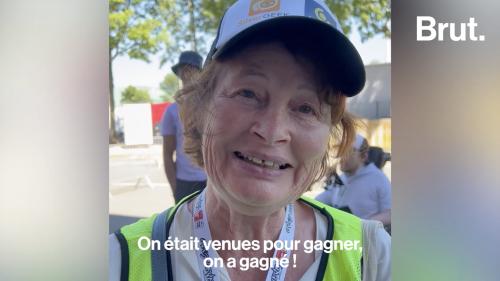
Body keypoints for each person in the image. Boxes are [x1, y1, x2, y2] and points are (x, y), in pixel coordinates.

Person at [110, 1, 390, 280]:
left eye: (306, 108)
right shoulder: (117, 262)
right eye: (248, 93)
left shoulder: (372, 257)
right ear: (199, 108)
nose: (272, 131)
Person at [160, 51, 207, 203]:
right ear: (179, 73)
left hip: (212, 181)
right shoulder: (172, 111)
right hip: (184, 183)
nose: (187, 73)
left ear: (201, 72)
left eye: (192, 68)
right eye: (183, 69)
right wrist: (175, 188)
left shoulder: (212, 106)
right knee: (183, 226)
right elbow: (167, 153)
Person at [327, 134, 391, 226]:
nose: (342, 155)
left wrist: (362, 225)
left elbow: (390, 214)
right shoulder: (342, 178)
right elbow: (321, 200)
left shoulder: (379, 179)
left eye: (348, 151)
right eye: (341, 150)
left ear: (363, 156)